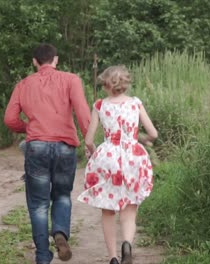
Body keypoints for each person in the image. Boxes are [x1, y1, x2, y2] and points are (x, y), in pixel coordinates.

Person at [4, 43, 91, 264]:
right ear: (56, 60)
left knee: (38, 204)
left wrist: (30, 127)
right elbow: (82, 112)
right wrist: (90, 143)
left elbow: (10, 119)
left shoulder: (23, 85)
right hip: (65, 147)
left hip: (37, 147)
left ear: (34, 61)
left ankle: (43, 255)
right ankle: (60, 231)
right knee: (62, 195)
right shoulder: (72, 80)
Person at [77, 65, 158, 264]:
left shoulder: (100, 105)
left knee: (108, 209)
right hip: (133, 156)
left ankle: (113, 257)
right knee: (130, 207)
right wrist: (142, 139)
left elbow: (88, 140)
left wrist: (97, 154)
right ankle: (127, 245)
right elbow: (154, 134)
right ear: (126, 84)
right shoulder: (135, 104)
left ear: (105, 84)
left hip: (108, 156)